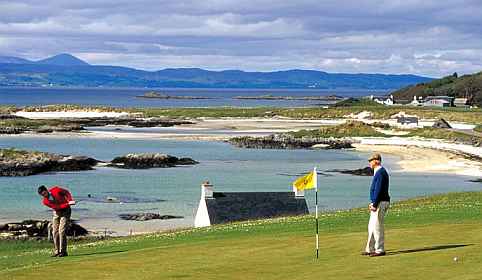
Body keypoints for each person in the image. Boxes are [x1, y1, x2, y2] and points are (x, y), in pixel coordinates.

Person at [362, 153, 390, 257]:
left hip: (380, 202)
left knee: (377, 227)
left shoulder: (380, 172)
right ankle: (370, 248)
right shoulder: (378, 172)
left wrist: (374, 203)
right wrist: (373, 202)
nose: (370, 163)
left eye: (371, 160)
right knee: (371, 226)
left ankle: (380, 249)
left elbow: (379, 190)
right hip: (378, 202)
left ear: (376, 161)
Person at [38, 185, 76, 257]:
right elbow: (57, 207)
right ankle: (57, 251)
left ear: (46, 190)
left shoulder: (56, 190)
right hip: (56, 212)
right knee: (54, 232)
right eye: (42, 195)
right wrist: (67, 203)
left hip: (66, 211)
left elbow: (66, 192)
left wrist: (70, 200)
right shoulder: (45, 201)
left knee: (61, 231)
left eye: (44, 193)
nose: (44, 196)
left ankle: (63, 252)